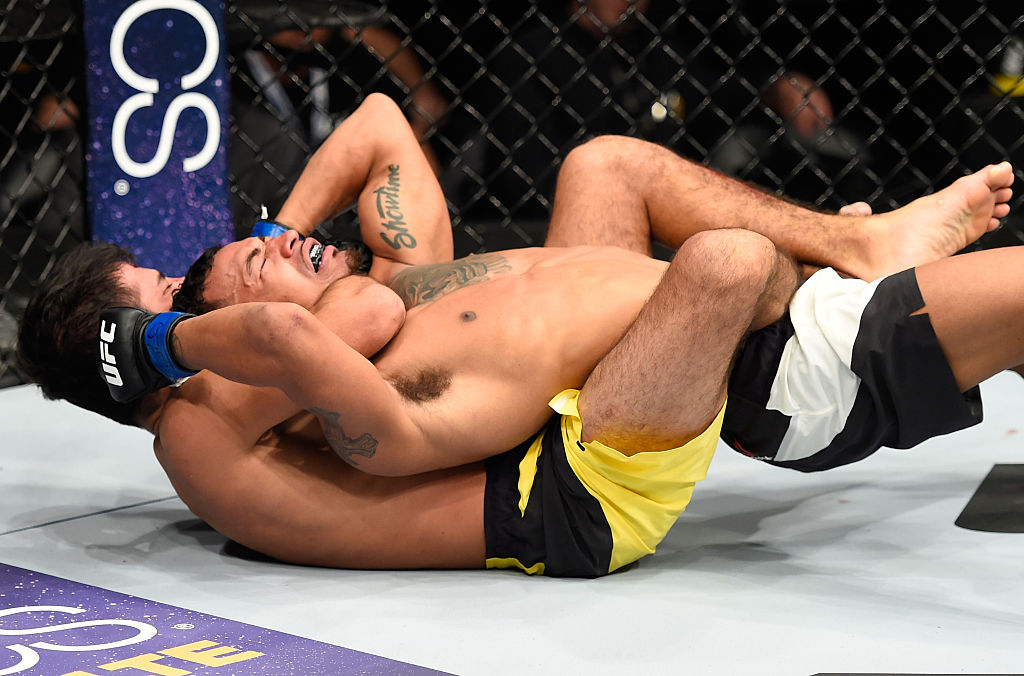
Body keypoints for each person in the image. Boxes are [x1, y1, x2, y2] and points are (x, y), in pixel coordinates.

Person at [17, 95, 1015, 576]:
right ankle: (842, 276)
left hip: (605, 390)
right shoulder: (209, 416)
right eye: (167, 292)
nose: (280, 254)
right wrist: (158, 341)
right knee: (722, 263)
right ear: (138, 333)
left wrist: (279, 238)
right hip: (587, 475)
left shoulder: (368, 293)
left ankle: (859, 239)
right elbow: (309, 334)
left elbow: (375, 126)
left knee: (603, 166)